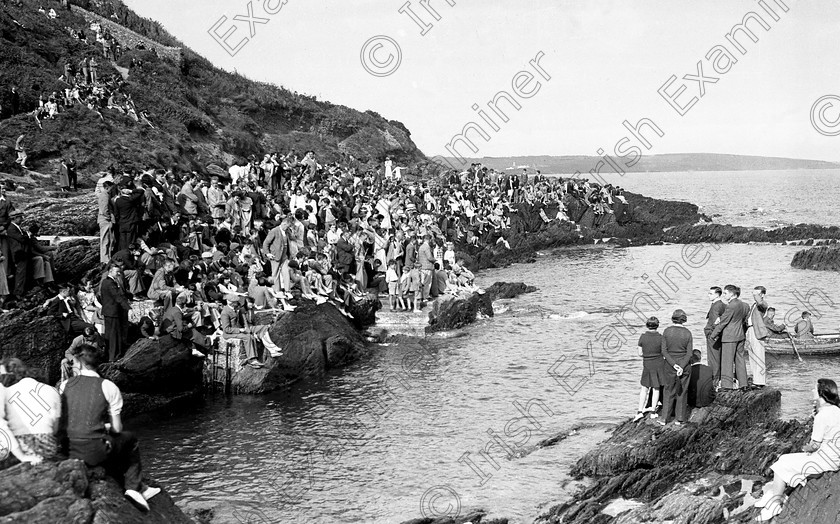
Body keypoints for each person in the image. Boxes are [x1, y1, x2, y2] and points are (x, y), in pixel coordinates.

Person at [59, 344, 161, 511]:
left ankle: (135, 485)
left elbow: (68, 420)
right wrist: (104, 427)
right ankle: (134, 487)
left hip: (68, 448)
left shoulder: (65, 385)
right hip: (93, 451)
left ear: (79, 363)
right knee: (130, 439)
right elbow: (117, 429)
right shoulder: (108, 386)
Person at [754, 378, 840, 521]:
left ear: (821, 394)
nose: (812, 391)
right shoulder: (837, 410)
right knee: (784, 460)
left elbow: (814, 445)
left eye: (814, 389)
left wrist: (805, 448)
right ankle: (775, 493)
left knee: (782, 464)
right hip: (833, 457)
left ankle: (775, 504)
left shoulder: (822, 415)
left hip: (825, 460)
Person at [1, 359, 62, 465]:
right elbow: (55, 429)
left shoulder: (6, 392)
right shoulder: (53, 390)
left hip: (18, 447)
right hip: (47, 446)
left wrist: (21, 455)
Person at [710, 285, 751, 391]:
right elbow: (745, 319)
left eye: (725, 293)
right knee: (740, 359)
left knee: (727, 361)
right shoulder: (745, 305)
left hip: (729, 336)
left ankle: (727, 385)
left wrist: (713, 335)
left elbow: (724, 322)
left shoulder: (731, 306)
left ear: (732, 294)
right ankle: (743, 383)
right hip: (740, 335)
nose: (724, 295)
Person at [659, 309, 693, 426]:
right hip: (684, 364)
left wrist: (674, 365)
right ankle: (680, 418)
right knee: (683, 391)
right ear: (684, 320)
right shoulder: (688, 333)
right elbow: (689, 353)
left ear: (673, 318)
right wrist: (681, 367)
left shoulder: (667, 331)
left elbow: (664, 351)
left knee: (668, 390)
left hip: (670, 364)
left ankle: (664, 418)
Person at [100, 263, 131, 361]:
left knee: (109, 335)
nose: (118, 274)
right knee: (114, 335)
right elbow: (118, 297)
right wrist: (128, 308)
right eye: (117, 272)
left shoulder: (105, 282)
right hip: (113, 312)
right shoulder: (110, 283)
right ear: (110, 272)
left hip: (108, 311)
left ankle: (108, 356)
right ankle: (113, 357)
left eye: (119, 272)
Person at [635, 316, 664, 422]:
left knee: (644, 388)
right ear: (657, 325)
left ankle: (639, 411)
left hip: (647, 364)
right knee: (656, 388)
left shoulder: (642, 337)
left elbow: (640, 353)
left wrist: (648, 355)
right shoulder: (661, 337)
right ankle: (653, 411)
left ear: (647, 325)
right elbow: (663, 351)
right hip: (659, 363)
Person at [747, 286, 770, 388]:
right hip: (750, 329)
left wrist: (757, 295)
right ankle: (755, 380)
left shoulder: (763, 304)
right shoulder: (754, 305)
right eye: (753, 293)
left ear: (762, 295)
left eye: (756, 293)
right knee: (752, 355)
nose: (753, 295)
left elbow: (761, 303)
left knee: (759, 356)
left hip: (757, 331)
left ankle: (760, 382)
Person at [703, 286, 726, 388]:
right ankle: (718, 380)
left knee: (713, 359)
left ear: (717, 294)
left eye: (711, 294)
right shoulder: (722, 305)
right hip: (717, 335)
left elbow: (714, 321)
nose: (708, 295)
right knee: (717, 358)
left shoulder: (716, 306)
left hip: (713, 335)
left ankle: (714, 382)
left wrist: (711, 334)